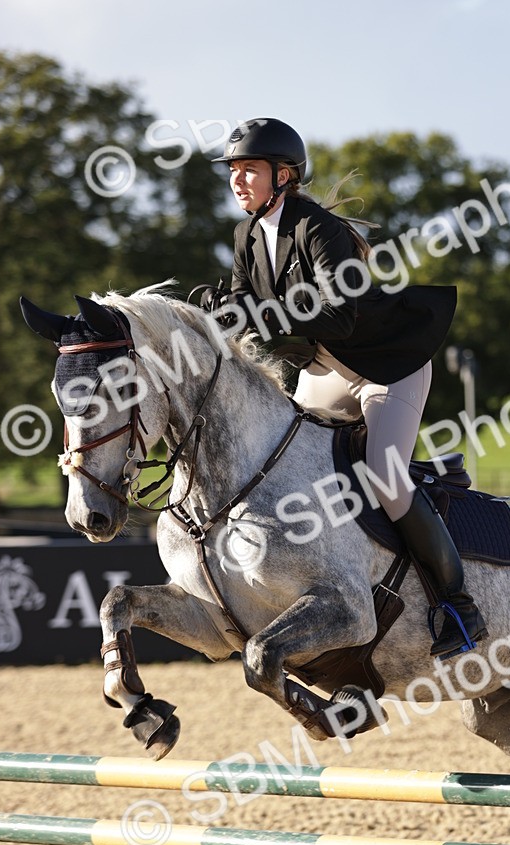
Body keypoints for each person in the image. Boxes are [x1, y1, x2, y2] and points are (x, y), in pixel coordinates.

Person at [200, 117, 486, 659]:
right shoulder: (245, 235)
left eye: (249, 170)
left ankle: (458, 605)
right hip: (324, 372)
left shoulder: (317, 229)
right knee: (283, 456)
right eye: (234, 171)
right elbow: (246, 313)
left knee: (383, 473)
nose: (238, 181)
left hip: (385, 367)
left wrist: (257, 312)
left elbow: (340, 317)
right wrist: (222, 315)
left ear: (284, 175)